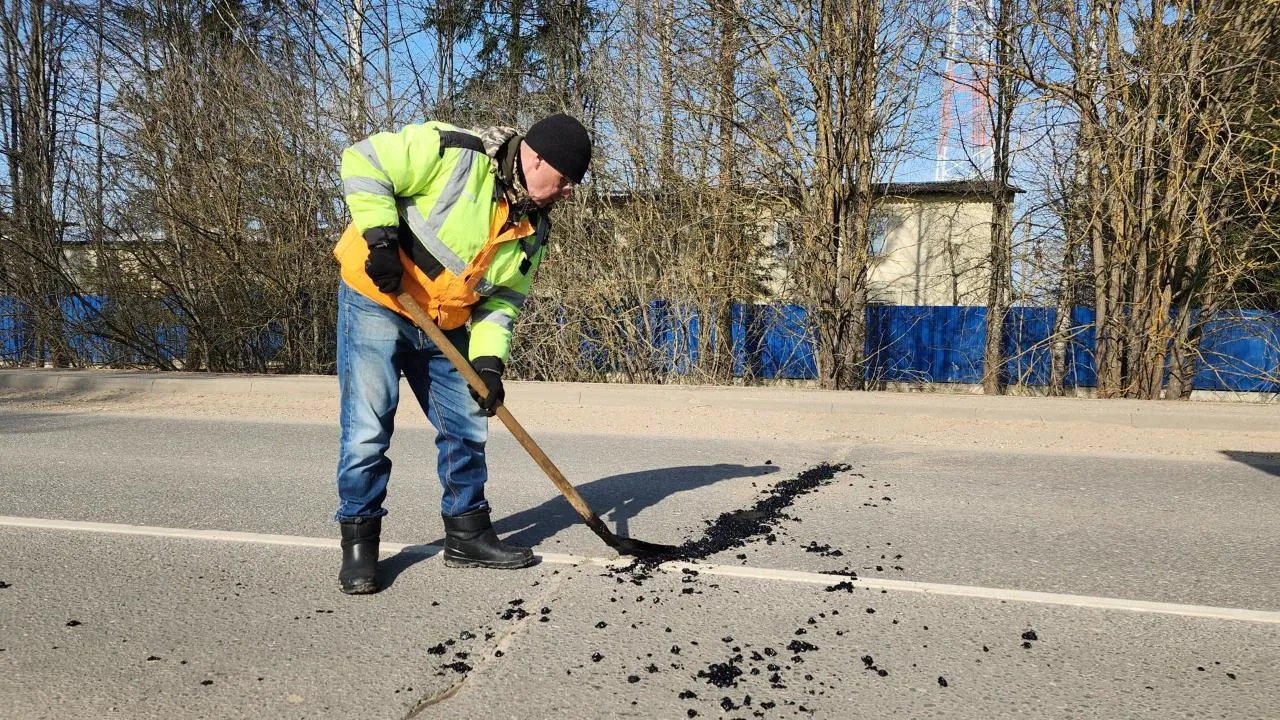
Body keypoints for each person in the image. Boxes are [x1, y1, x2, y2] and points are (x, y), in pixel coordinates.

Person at [331, 114, 591, 594]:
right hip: (379, 299)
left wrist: (489, 364)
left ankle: (467, 532)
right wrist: (381, 239)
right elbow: (363, 159)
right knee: (369, 429)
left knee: (467, 424)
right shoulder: (453, 153)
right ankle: (360, 546)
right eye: (566, 180)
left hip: (443, 323)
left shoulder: (533, 228)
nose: (569, 192)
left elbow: (502, 301)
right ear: (536, 159)